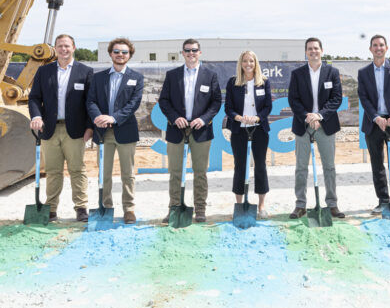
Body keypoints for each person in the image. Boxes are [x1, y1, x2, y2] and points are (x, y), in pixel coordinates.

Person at [28, 34, 94, 222]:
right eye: (60, 46)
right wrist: (37, 116)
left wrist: (90, 127)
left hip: (75, 131)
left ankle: (81, 208)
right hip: (49, 130)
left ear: (73, 47)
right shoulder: (44, 72)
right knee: (53, 171)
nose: (63, 49)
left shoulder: (85, 71)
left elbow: (91, 102)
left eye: (67, 46)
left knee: (77, 169)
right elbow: (34, 98)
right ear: (55, 49)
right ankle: (51, 209)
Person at [158, 39, 222, 223]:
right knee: (175, 172)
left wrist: (203, 119)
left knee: (200, 172)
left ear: (200, 52)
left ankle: (200, 209)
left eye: (194, 50)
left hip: (200, 131)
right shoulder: (172, 75)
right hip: (176, 130)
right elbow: (164, 101)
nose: (191, 53)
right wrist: (174, 117)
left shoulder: (210, 75)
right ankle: (174, 208)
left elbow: (216, 102)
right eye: (187, 50)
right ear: (183, 53)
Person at [86, 38, 144, 224]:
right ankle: (106, 205)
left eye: (124, 52)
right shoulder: (99, 77)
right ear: (111, 54)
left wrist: (114, 118)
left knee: (128, 173)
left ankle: (129, 208)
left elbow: (133, 104)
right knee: (104, 172)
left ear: (129, 55)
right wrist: (98, 117)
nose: (120, 55)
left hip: (125, 130)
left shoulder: (136, 77)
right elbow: (91, 101)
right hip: (103, 132)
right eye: (117, 51)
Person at [288, 37, 345, 219]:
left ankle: (332, 204)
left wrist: (319, 116)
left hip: (325, 125)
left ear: (322, 50)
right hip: (303, 126)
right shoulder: (297, 74)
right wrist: (308, 116)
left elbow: (336, 98)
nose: (313, 51)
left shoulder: (332, 72)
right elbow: (293, 99)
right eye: (309, 49)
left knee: (329, 167)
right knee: (301, 168)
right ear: (306, 52)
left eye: (316, 48)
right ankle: (300, 205)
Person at [357, 35, 390, 214]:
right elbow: (363, 98)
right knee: (377, 164)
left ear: (386, 48)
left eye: (381, 45)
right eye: (375, 45)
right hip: (374, 124)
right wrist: (376, 117)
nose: (378, 48)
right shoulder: (364, 72)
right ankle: (383, 200)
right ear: (370, 49)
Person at [224, 51, 273, 218]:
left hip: (259, 129)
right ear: (241, 63)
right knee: (240, 166)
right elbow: (228, 108)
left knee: (260, 166)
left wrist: (257, 117)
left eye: (251, 61)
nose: (248, 64)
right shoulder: (233, 82)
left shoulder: (264, 82)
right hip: (239, 130)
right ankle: (239, 205)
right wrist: (239, 118)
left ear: (255, 63)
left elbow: (268, 107)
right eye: (245, 61)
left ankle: (262, 206)